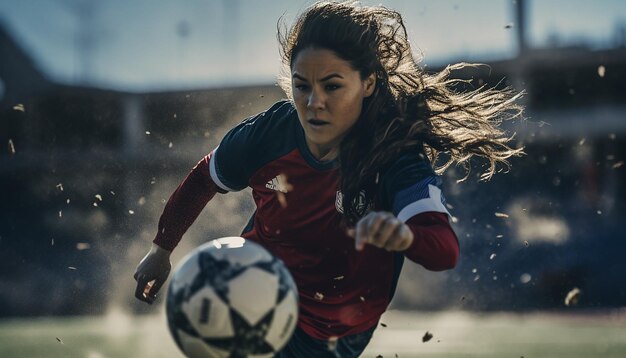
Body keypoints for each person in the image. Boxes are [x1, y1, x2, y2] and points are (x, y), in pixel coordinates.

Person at [134, 1, 524, 356]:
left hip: (333, 332)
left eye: (332, 86)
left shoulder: (394, 156)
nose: (313, 102)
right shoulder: (268, 133)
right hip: (254, 284)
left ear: (368, 83)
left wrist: (407, 237)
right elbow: (206, 177)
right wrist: (162, 248)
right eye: (302, 86)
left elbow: (444, 250)